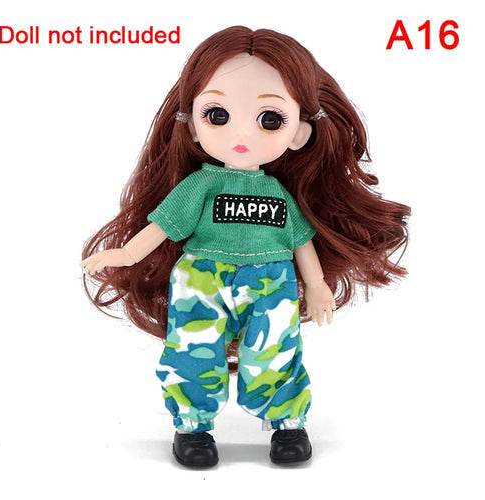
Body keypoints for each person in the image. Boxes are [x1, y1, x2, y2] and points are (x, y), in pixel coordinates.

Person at [81, 26, 410, 468]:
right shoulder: (200, 186)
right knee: (192, 349)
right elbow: (162, 227)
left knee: (275, 350)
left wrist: (316, 285)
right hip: (202, 279)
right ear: (191, 125)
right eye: (217, 114)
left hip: (271, 280)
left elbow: (300, 241)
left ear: (298, 133)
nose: (242, 133)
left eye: (270, 119)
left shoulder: (278, 194)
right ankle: (192, 426)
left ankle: (287, 422)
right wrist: (125, 255)